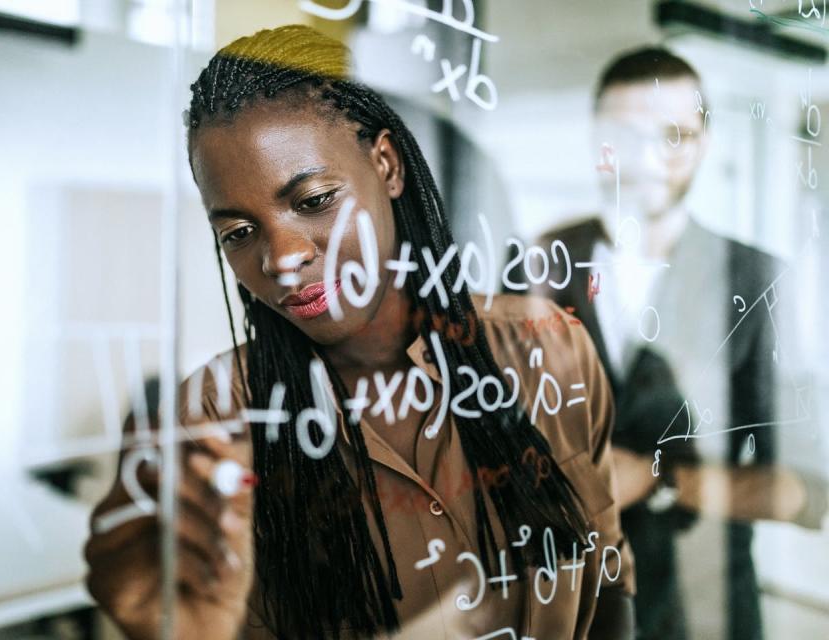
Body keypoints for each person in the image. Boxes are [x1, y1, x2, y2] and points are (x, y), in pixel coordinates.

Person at [84, 25, 635, 639]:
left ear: (387, 165)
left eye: (315, 199)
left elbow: (608, 577)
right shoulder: (216, 419)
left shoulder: (547, 351)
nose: (281, 257)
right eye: (238, 233)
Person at [519, 46, 826, 640]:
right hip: (556, 607)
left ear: (704, 143)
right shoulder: (534, 260)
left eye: (674, 135)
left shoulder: (760, 281)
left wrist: (660, 480)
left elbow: (805, 490)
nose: (649, 159)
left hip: (699, 610)